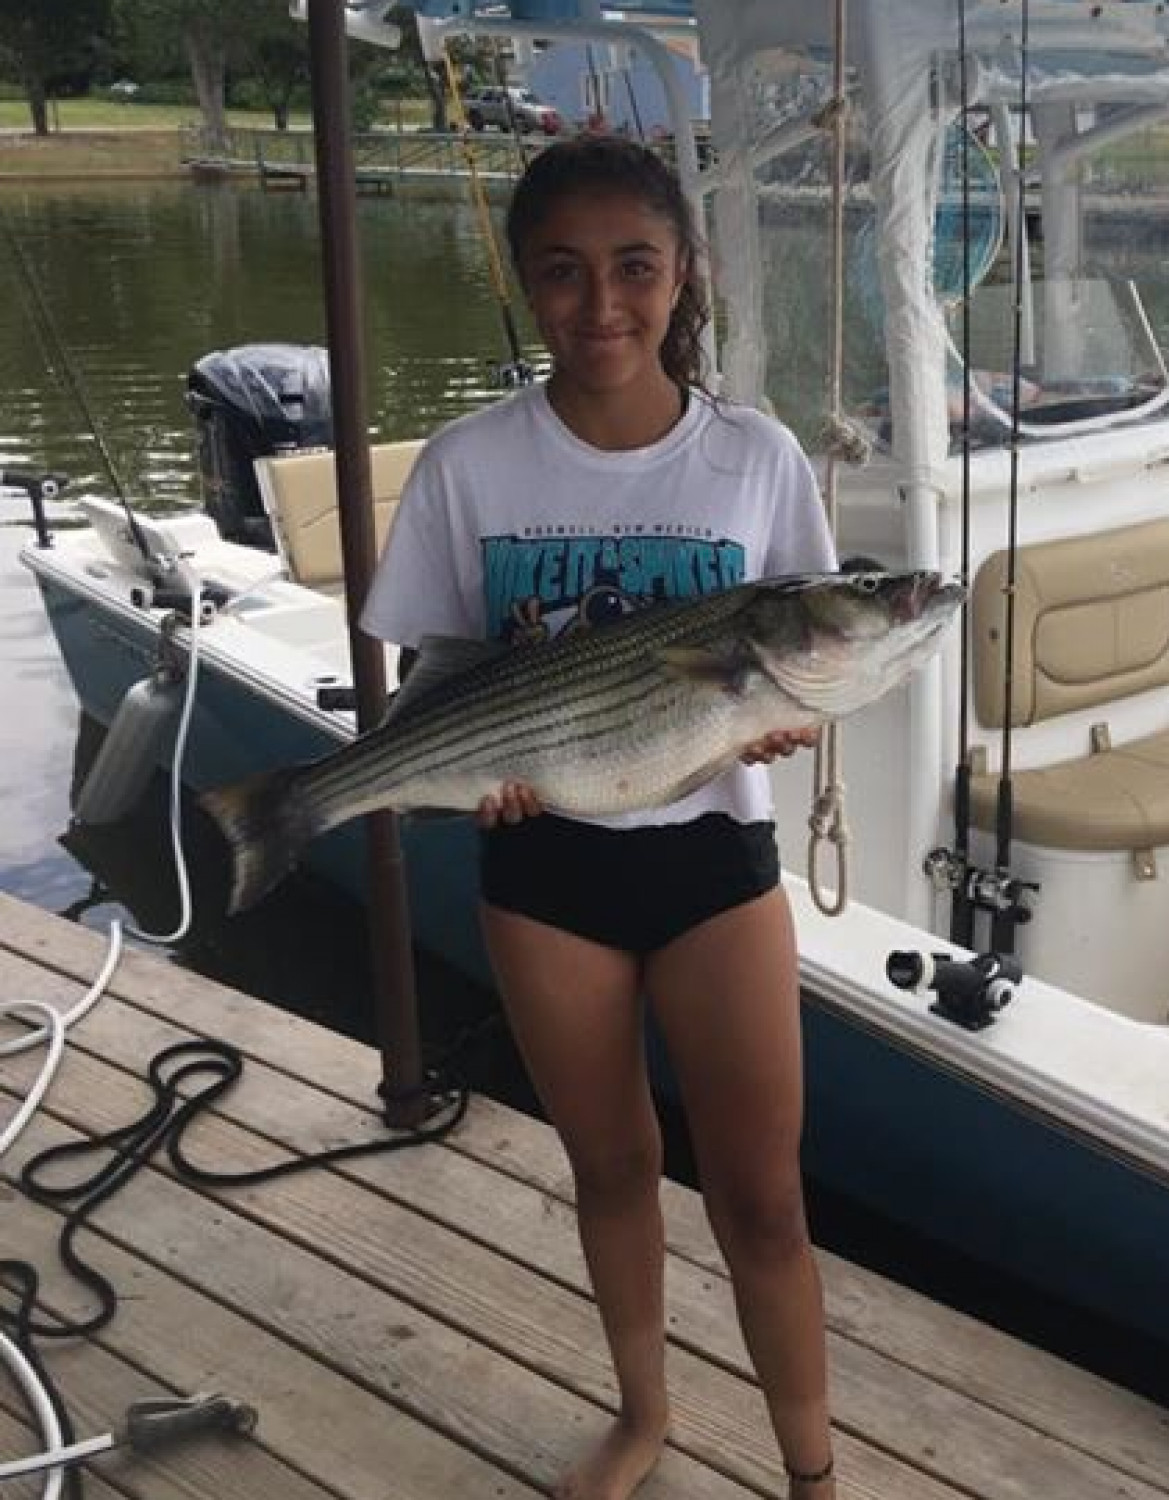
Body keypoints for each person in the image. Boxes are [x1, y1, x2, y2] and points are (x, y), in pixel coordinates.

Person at [362, 137, 839, 1500]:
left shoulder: (754, 457)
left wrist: (792, 706)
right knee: (615, 1165)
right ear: (524, 283)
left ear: (685, 272)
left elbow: (806, 638)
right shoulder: (469, 465)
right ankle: (643, 1416)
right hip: (543, 863)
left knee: (762, 1196)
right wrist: (470, 766)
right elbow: (433, 673)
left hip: (713, 866)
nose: (603, 304)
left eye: (636, 265)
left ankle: (811, 1468)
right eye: (562, 273)